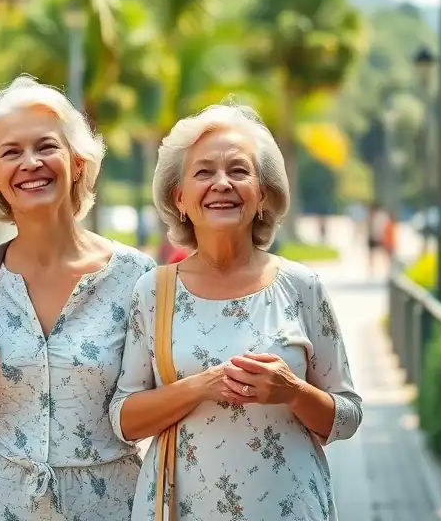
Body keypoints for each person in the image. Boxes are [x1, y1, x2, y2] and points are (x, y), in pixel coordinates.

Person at [110, 104, 362, 520]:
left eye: (239, 171)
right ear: (180, 198)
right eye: (204, 172)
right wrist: (200, 386)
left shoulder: (302, 286)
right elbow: (124, 419)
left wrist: (293, 392)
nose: (222, 184)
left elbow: (347, 416)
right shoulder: (154, 290)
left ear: (262, 194)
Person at [0, 76, 155, 520]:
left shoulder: (137, 277)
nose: (30, 163)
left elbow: (158, 398)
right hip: (3, 504)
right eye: (11, 152)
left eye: (46, 147)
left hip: (112, 505)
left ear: (78, 162)